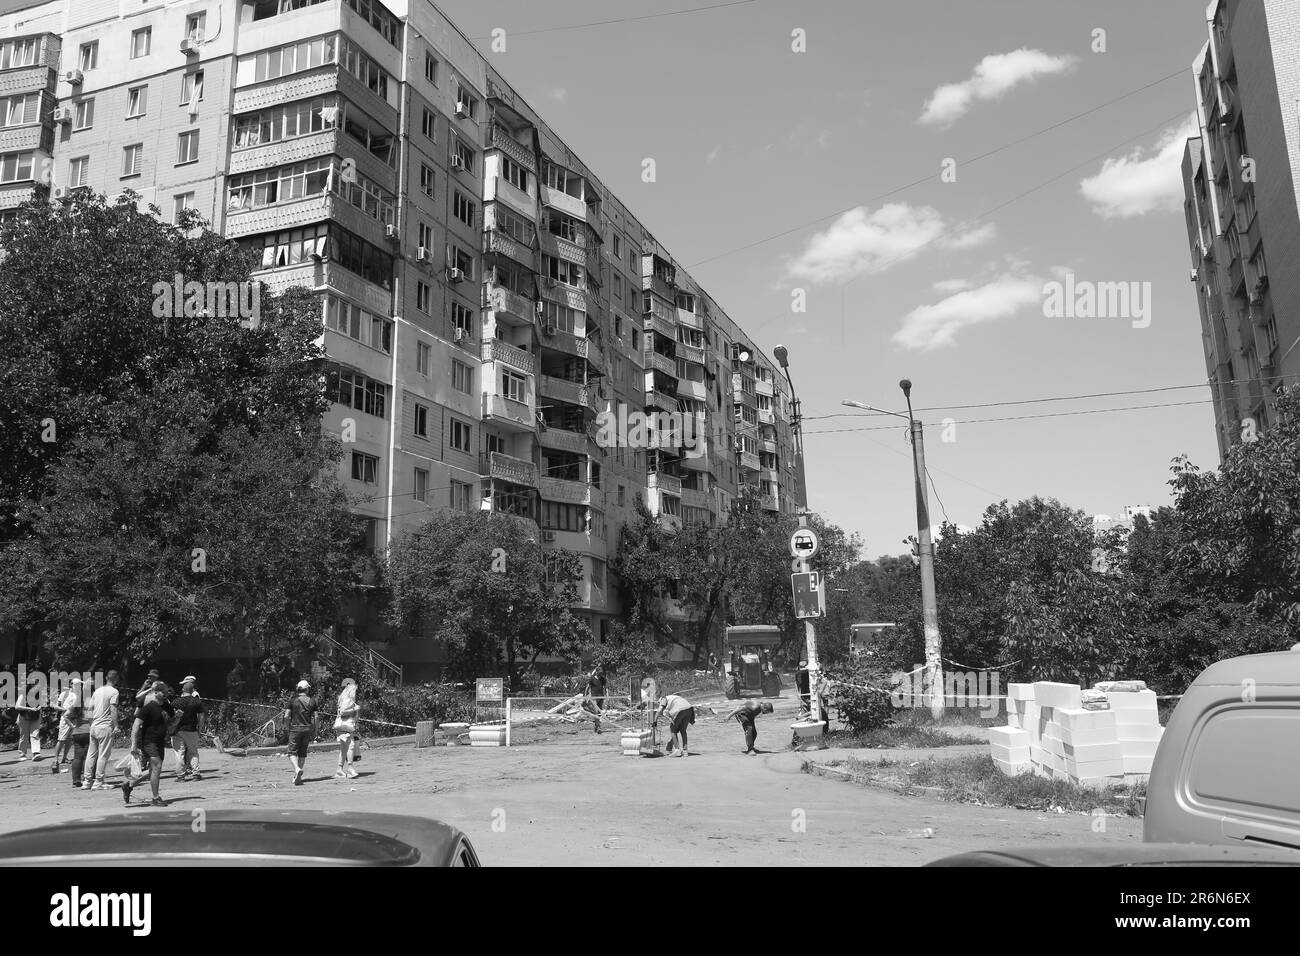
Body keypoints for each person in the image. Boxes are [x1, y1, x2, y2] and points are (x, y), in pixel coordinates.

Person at [124, 681, 171, 807]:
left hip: (160, 742)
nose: (166, 694)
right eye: (163, 692)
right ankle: (156, 798)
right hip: (148, 742)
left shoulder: (166, 706)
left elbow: (171, 723)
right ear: (156, 693)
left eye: (167, 692)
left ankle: (129, 785)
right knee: (157, 766)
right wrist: (133, 744)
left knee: (154, 771)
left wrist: (177, 717)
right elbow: (135, 725)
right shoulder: (148, 707)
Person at [84, 670, 120, 791]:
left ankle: (87, 781)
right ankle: (99, 781)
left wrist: (91, 724)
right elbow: (113, 709)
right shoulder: (114, 692)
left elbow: (89, 709)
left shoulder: (97, 691)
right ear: (116, 679)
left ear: (106, 678)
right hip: (105, 726)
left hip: (94, 726)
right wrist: (116, 726)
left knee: (91, 754)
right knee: (103, 754)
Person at [284, 679, 317, 786]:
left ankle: (297, 769)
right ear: (307, 689)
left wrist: (286, 726)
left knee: (292, 752)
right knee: (302, 753)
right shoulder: (312, 701)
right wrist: (316, 729)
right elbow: (316, 717)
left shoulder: (293, 701)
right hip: (307, 729)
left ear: (298, 689)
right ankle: (297, 776)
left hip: (295, 729)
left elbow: (286, 716)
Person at [172, 677, 204, 781]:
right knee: (193, 752)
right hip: (191, 729)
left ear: (183, 690)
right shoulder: (196, 702)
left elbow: (171, 716)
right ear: (192, 690)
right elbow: (201, 717)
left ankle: (181, 775)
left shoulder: (176, 702)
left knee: (179, 753)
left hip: (178, 730)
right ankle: (196, 773)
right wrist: (200, 729)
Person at [333, 677, 359, 780]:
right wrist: (354, 709)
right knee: (350, 745)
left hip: (342, 725)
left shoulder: (343, 697)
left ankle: (340, 769)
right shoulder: (348, 699)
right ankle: (350, 768)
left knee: (344, 748)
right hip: (346, 725)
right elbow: (343, 712)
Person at [52, 679, 82, 770]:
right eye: (77, 685)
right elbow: (55, 706)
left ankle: (64, 758)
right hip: (65, 718)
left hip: (75, 718)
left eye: (79, 685)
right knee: (61, 739)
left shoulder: (79, 694)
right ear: (72, 684)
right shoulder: (65, 694)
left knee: (69, 739)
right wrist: (65, 710)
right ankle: (56, 759)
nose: (79, 686)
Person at [68, 684, 93, 789]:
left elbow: (66, 716)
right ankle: (88, 778)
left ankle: (76, 780)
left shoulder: (77, 703)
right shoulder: (92, 702)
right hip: (88, 732)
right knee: (89, 756)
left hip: (77, 733)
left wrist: (73, 725)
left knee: (77, 757)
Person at [14, 680, 43, 761]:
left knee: (35, 734)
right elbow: (17, 706)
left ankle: (36, 753)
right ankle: (22, 753)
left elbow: (41, 703)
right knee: (24, 735)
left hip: (36, 716)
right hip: (24, 716)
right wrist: (30, 708)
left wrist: (40, 707)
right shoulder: (23, 694)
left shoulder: (39, 694)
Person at [582, 667, 607, 734]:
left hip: (601, 697)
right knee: (596, 712)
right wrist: (585, 696)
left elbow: (604, 688)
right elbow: (587, 687)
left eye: (601, 673)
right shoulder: (592, 679)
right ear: (596, 672)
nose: (601, 674)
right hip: (594, 698)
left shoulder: (603, 679)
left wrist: (606, 696)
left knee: (599, 713)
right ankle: (598, 727)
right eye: (600, 672)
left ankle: (596, 726)